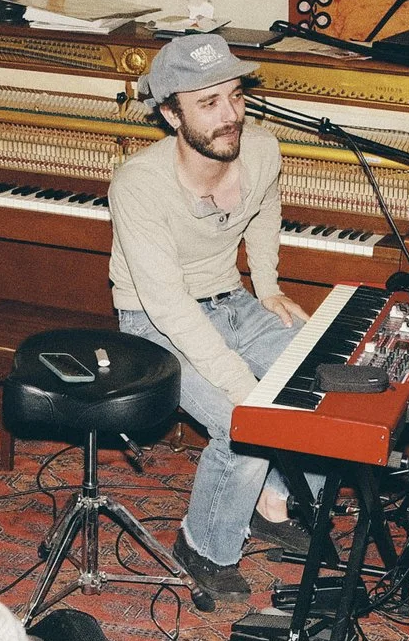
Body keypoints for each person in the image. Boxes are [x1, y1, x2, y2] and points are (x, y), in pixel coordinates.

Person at [111, 32, 314, 609]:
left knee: (311, 382)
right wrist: (237, 380)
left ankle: (273, 504)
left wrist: (268, 286)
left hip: (232, 298)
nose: (231, 116)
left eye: (235, 95)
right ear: (171, 114)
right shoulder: (140, 185)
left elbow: (266, 208)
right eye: (208, 103)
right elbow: (168, 305)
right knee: (244, 420)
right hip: (154, 320)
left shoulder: (261, 150)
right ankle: (203, 545)